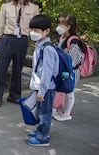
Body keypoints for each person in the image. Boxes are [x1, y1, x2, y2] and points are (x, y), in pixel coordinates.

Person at [0, 0, 40, 107]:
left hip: (22, 40)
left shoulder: (33, 8)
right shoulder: (6, 7)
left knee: (17, 69)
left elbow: (36, 26)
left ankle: (14, 95)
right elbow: (0, 25)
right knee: (2, 69)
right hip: (8, 39)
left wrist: (37, 40)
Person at [27, 15, 59, 146]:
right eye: (32, 29)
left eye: (37, 30)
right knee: (40, 111)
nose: (33, 33)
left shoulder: (48, 49)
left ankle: (43, 137)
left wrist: (42, 91)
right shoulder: (40, 45)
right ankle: (40, 130)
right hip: (40, 86)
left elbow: (47, 72)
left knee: (45, 113)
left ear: (46, 31)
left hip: (46, 88)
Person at [53, 15, 85, 121]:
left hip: (71, 71)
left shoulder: (74, 41)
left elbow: (73, 60)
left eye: (62, 24)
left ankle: (66, 113)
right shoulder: (62, 37)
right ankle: (57, 109)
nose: (59, 26)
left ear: (69, 26)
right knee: (61, 89)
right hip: (63, 69)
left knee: (69, 91)